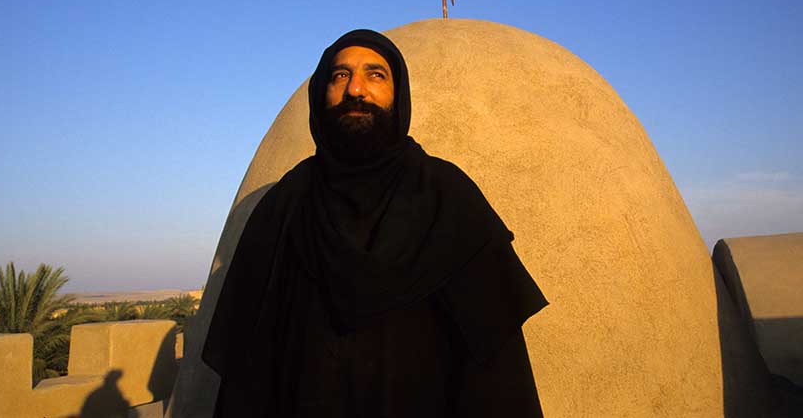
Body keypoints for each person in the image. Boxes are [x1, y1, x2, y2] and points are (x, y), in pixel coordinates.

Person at [202, 29, 548, 417]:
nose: (356, 89)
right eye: (340, 75)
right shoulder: (285, 206)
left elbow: (500, 370)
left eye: (375, 75)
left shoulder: (448, 198)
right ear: (321, 94)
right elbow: (247, 375)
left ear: (398, 96)